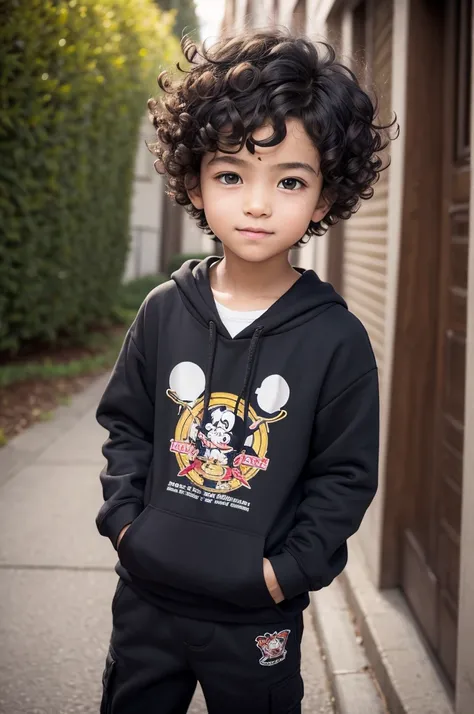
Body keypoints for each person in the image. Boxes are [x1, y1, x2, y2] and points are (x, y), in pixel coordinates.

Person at [95, 28, 396, 714]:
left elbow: (344, 475)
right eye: (231, 174)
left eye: (290, 180)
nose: (258, 203)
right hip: (148, 596)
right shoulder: (164, 310)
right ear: (197, 183)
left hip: (255, 614)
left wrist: (284, 574)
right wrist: (126, 527)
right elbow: (126, 426)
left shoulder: (336, 339)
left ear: (323, 199)